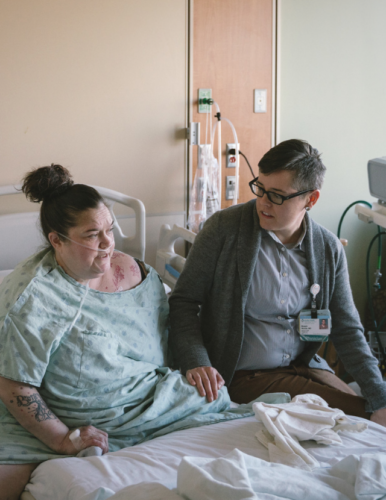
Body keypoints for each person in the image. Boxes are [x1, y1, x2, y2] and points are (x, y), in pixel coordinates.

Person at [0, 165, 249, 500]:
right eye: (91, 235)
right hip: (70, 416)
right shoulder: (32, 297)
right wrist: (61, 438)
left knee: (220, 406)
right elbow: (13, 383)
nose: (107, 243)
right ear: (56, 240)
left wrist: (193, 363)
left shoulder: (132, 273)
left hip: (150, 404)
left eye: (110, 230)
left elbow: (163, 336)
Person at [169, 139, 386, 427]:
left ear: (311, 199)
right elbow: (183, 302)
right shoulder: (224, 230)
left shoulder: (328, 248)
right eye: (260, 188)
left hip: (305, 368)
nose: (263, 202)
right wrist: (196, 360)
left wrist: (380, 396)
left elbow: (346, 330)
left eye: (277, 195)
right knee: (362, 419)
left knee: (374, 407)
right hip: (243, 374)